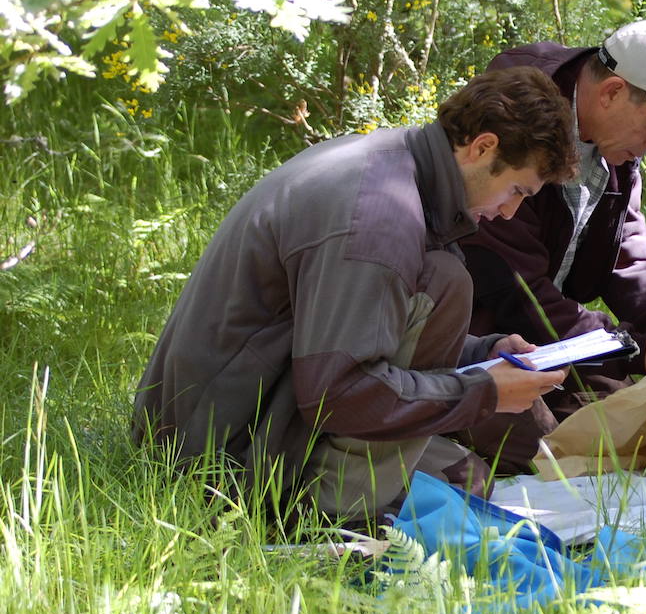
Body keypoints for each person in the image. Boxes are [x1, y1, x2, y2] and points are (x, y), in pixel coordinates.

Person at [132, 67, 576, 527]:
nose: (509, 211)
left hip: (245, 412)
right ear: (482, 148)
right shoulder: (380, 217)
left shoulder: (394, 163)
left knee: (466, 479)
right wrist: (483, 392)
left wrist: (484, 353)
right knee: (446, 283)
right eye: (516, 190)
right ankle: (328, 517)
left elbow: (356, 326)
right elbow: (340, 393)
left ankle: (349, 492)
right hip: (215, 457)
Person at [462, 19, 646, 426]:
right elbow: (516, 288)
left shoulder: (613, 139)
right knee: (546, 444)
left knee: (640, 422)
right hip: (475, 335)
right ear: (613, 92)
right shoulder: (516, 115)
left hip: (550, 336)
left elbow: (625, 254)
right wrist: (636, 348)